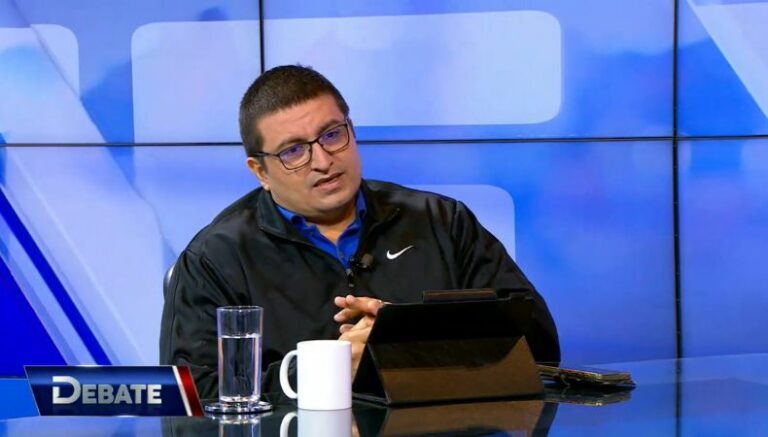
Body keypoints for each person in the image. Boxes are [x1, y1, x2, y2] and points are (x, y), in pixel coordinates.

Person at [160, 65, 560, 399]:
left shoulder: (442, 221)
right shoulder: (217, 258)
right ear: (260, 171)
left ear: (351, 130)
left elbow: (540, 345)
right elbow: (189, 395)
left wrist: (403, 339)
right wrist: (320, 371)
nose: (322, 161)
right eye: (294, 151)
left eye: (332, 134)